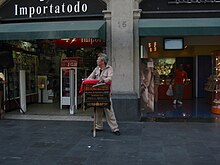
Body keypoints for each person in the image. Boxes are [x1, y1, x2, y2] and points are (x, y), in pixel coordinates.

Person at [87, 53, 120, 136]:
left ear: (102, 61)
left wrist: (102, 80)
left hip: (105, 92)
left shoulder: (109, 69)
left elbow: (109, 78)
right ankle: (98, 126)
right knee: (98, 110)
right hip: (97, 92)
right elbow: (90, 77)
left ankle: (115, 128)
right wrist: (89, 80)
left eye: (98, 59)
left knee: (109, 110)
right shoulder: (96, 69)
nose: (96, 60)